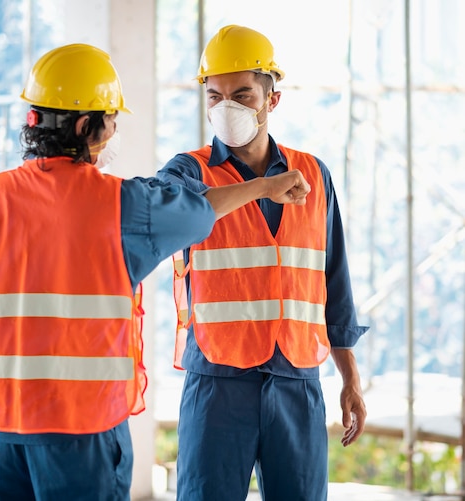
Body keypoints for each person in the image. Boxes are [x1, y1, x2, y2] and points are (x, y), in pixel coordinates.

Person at [0, 42, 311, 501]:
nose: (114, 132)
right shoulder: (124, 206)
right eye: (111, 121)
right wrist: (265, 186)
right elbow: (201, 209)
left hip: (4, 437)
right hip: (85, 436)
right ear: (87, 126)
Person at [156, 25, 369, 501]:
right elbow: (165, 209)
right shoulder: (188, 170)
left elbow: (334, 284)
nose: (226, 107)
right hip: (218, 381)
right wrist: (263, 188)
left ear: (272, 100)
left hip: (296, 377)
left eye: (242, 94)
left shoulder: (313, 174)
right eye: (214, 95)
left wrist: (351, 379)